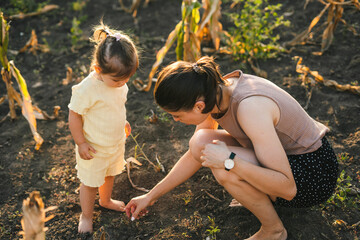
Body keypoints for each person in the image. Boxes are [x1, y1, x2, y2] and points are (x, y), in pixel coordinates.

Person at [125, 56, 338, 239]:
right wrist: (150, 196)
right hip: (287, 159)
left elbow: (287, 188)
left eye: (177, 115)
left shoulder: (249, 108)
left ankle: (273, 231)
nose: (175, 120)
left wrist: (230, 161)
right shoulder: (214, 91)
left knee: (223, 167)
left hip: (313, 174)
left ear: (198, 106)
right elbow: (196, 153)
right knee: (201, 142)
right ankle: (255, 192)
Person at [68, 22, 139, 233]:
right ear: (99, 69)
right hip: (93, 148)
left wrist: (122, 122)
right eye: (118, 80)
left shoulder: (118, 81)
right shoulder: (87, 89)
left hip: (114, 142)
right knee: (90, 183)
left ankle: (106, 200)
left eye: (128, 78)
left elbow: (117, 105)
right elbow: (74, 114)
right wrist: (80, 142)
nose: (124, 82)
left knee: (109, 174)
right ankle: (86, 215)